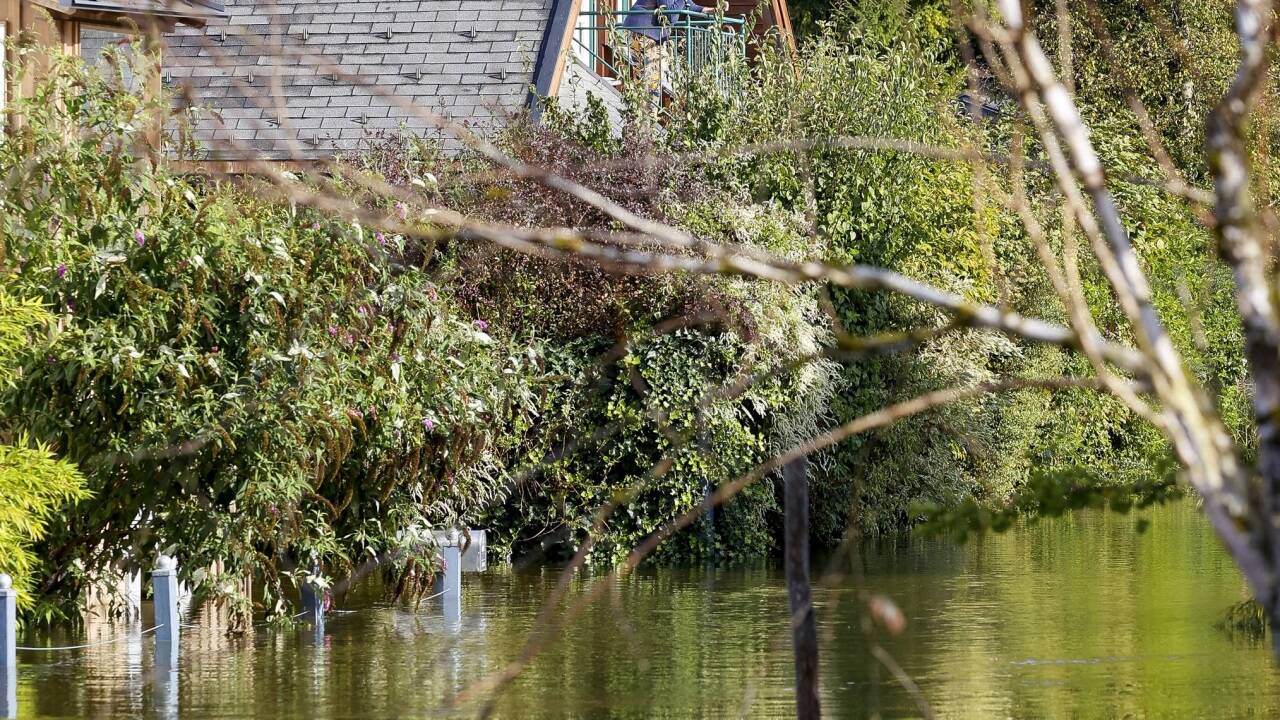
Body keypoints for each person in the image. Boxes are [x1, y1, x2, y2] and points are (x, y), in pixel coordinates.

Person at [621, 0, 707, 107]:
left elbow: (689, 5)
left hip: (645, 33)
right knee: (652, 78)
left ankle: (640, 116)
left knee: (648, 77)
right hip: (643, 32)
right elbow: (668, 14)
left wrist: (712, 10)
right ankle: (644, 117)